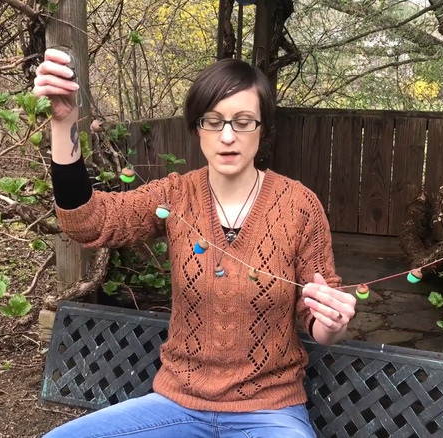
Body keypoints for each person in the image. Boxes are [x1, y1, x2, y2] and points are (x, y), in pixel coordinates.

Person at [33, 48, 357, 438]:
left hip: (270, 412)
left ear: (263, 127)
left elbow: (320, 322)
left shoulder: (299, 205)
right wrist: (63, 122)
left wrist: (332, 321)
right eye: (213, 121)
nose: (227, 136)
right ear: (197, 127)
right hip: (177, 406)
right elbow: (87, 222)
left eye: (243, 122)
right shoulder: (176, 197)